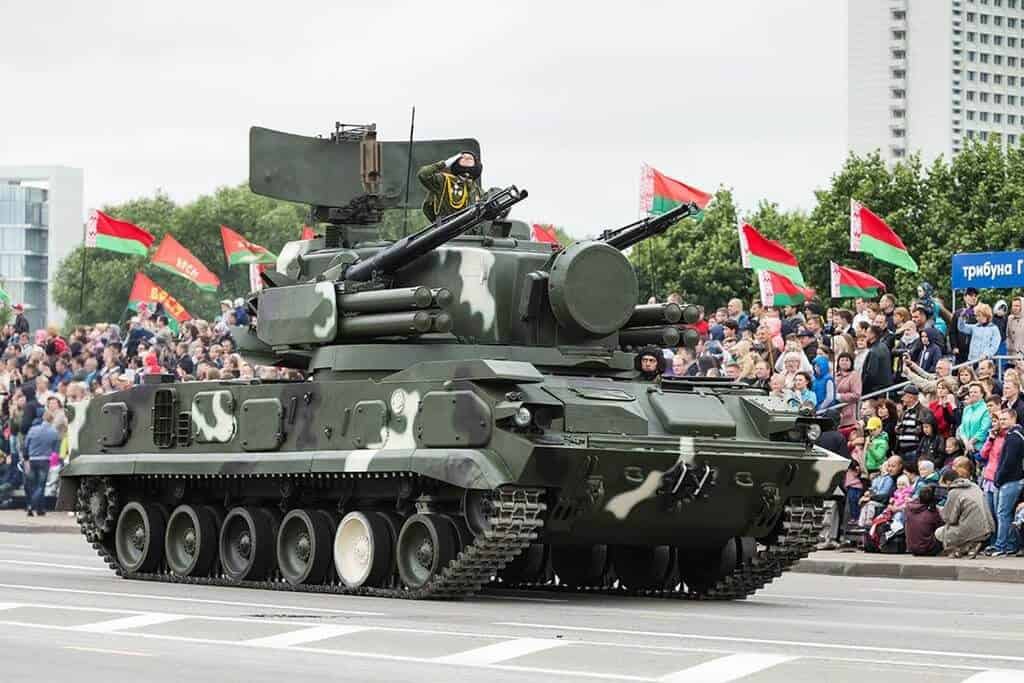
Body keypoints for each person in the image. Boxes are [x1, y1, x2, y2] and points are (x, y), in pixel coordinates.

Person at [936, 466, 995, 558]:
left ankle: (960, 549)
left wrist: (940, 510)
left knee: (939, 532)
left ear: (947, 482)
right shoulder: (974, 486)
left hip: (972, 529)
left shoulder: (954, 492)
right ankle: (970, 547)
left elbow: (949, 519)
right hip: (988, 528)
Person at [991, 409, 1024, 556]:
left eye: (1005, 419)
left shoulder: (1014, 438)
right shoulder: (1015, 435)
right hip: (1013, 479)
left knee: (1003, 513)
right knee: (1007, 513)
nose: (1002, 422)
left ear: (1013, 419)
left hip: (1011, 480)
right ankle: (1010, 545)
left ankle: (1001, 546)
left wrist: (999, 478)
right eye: (1000, 419)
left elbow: (1008, 462)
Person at [417, 151, 483, 222]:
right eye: (463, 157)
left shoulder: (477, 190)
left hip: (468, 228)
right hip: (446, 228)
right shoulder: (444, 181)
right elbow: (423, 174)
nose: (466, 158)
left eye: (470, 158)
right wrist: (445, 163)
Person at [22, 408, 60, 516]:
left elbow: (26, 446)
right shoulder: (54, 432)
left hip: (32, 459)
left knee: (33, 485)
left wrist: (26, 460)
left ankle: (38, 508)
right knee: (41, 486)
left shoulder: (33, 430)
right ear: (52, 420)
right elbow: (55, 451)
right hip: (45, 460)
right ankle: (34, 506)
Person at [905, 485, 944, 556]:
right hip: (927, 549)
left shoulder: (908, 508)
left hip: (912, 549)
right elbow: (940, 526)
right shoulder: (932, 513)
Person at [895, 385, 929, 466]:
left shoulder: (924, 411)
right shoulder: (904, 412)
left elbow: (927, 432)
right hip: (902, 451)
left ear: (911, 397)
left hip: (915, 451)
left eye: (904, 396)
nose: (902, 399)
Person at [957, 382, 992, 458]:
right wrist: (966, 442)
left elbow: (984, 429)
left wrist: (971, 442)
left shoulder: (986, 409)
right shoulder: (966, 409)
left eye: (975, 392)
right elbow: (962, 428)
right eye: (971, 392)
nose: (972, 394)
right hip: (966, 447)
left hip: (979, 448)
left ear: (982, 394)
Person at [861, 324, 894, 397]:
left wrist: (862, 388)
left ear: (873, 335)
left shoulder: (874, 351)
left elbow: (871, 374)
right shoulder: (883, 346)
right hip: (884, 388)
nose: (865, 334)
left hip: (876, 390)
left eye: (867, 332)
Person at [834, 352, 861, 431]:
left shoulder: (854, 375)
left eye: (847, 360)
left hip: (848, 414)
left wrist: (840, 396)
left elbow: (856, 394)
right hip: (836, 413)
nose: (844, 362)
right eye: (842, 360)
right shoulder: (835, 375)